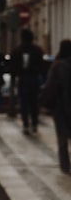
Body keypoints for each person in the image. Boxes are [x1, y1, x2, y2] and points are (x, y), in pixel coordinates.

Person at [41, 39, 71, 174]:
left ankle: (65, 166)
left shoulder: (57, 65)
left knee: (62, 137)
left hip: (60, 107)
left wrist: (46, 103)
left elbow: (49, 86)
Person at [10, 29, 46, 134]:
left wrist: (13, 78)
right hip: (34, 79)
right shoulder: (37, 50)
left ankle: (26, 123)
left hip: (23, 78)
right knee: (34, 102)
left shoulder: (17, 50)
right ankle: (34, 123)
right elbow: (42, 66)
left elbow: (13, 67)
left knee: (24, 102)